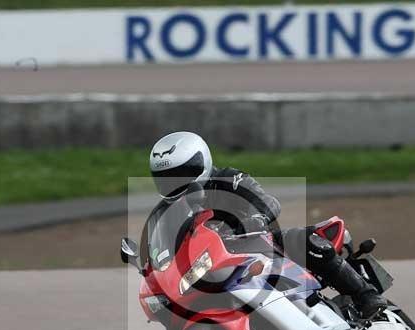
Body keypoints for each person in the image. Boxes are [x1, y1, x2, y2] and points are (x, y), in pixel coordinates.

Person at [148, 131, 387, 319]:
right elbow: (159, 251)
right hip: (210, 267)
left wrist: (256, 217)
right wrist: (153, 269)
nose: (174, 183)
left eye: (183, 173)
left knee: (306, 240)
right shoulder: (162, 214)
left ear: (202, 163)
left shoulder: (229, 178)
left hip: (257, 245)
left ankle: (365, 295)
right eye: (166, 178)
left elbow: (267, 201)